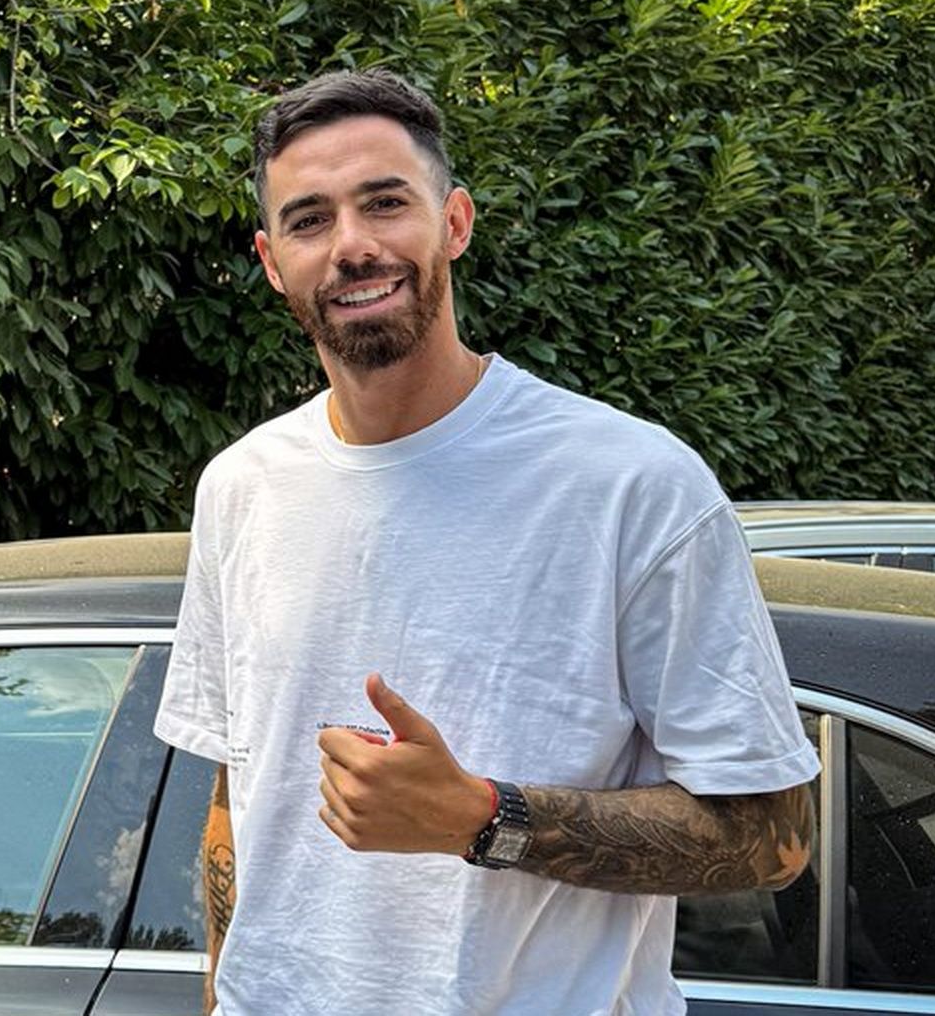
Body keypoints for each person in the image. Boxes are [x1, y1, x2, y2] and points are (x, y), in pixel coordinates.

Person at [152, 68, 819, 1016]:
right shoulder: (241, 486)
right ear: (270, 260)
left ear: (455, 222)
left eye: (386, 203)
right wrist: (223, 998)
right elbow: (239, 789)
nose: (352, 245)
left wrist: (483, 818)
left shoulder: (631, 485)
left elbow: (773, 838)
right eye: (309, 220)